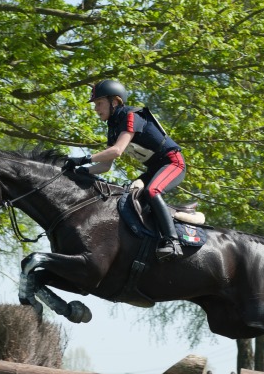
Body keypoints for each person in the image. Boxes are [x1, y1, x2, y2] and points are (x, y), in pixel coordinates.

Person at [65, 79, 186, 260]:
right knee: (128, 196)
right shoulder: (113, 126)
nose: (96, 109)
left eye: (99, 103)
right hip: (154, 169)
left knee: (152, 191)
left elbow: (117, 150)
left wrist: (84, 159)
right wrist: (83, 172)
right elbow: (106, 166)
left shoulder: (131, 116)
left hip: (173, 163)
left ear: (115, 102)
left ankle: (173, 242)